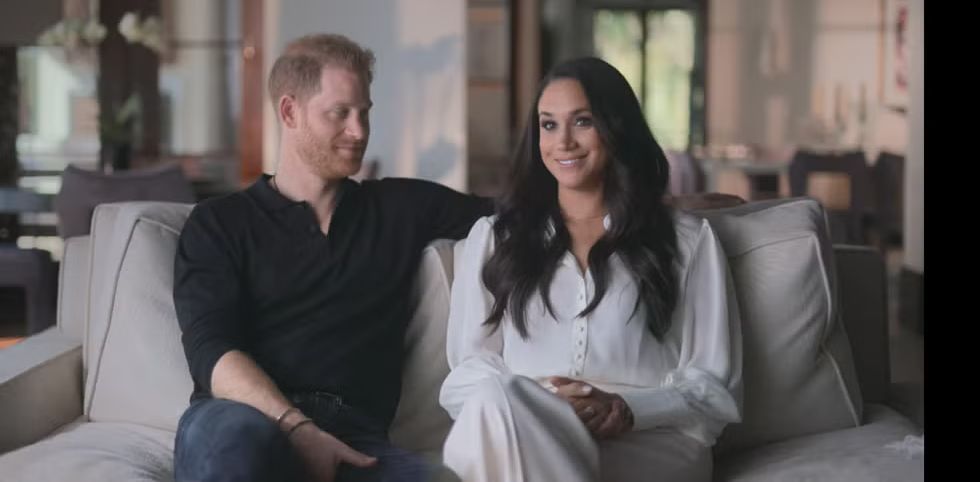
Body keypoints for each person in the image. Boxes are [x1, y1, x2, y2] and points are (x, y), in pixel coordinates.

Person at [172, 33, 492, 482]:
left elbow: (522, 218)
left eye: (364, 113)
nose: (359, 132)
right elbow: (213, 352)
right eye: (340, 113)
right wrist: (297, 427)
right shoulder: (219, 223)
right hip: (240, 419)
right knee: (239, 448)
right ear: (290, 112)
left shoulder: (400, 208)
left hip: (354, 440)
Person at [438, 57, 742, 482]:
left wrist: (627, 409)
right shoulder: (495, 238)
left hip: (649, 442)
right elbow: (466, 377)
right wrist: (544, 402)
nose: (563, 142)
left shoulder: (688, 240)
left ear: (616, 128)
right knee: (494, 402)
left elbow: (715, 387)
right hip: (529, 430)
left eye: (582, 121)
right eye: (548, 125)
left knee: (496, 443)